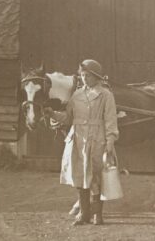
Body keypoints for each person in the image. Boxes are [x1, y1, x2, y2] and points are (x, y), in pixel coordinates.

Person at [44, 59, 119, 226]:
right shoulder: (76, 95)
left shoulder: (106, 95)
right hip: (78, 139)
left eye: (88, 76)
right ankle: (84, 214)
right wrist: (53, 114)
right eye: (82, 75)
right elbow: (68, 118)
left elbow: (110, 121)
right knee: (79, 176)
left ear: (96, 77)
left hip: (96, 139)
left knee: (96, 177)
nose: (84, 78)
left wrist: (110, 141)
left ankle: (97, 215)